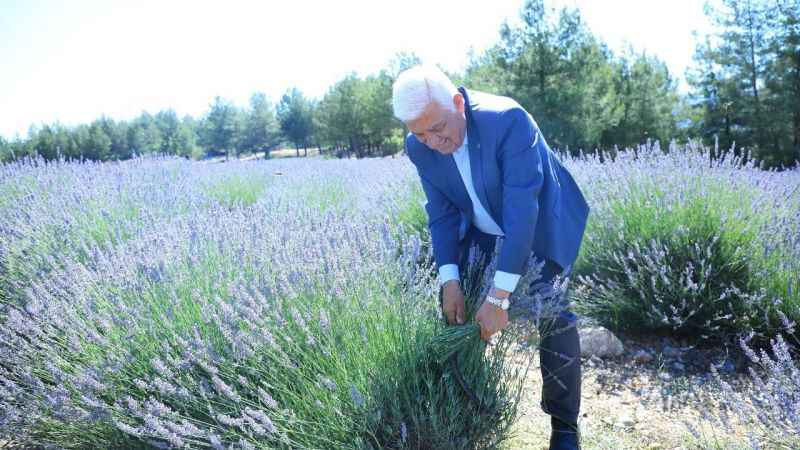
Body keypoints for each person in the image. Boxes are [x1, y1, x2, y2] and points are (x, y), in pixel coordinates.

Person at [392, 64, 590, 450]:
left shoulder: (508, 120)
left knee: (554, 316)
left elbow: (521, 214)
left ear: (457, 103)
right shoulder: (419, 146)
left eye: (438, 128)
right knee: (453, 310)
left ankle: (564, 426)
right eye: (420, 134)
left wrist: (499, 297)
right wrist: (449, 279)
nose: (433, 141)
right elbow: (442, 212)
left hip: (538, 222)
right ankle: (470, 407)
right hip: (482, 227)